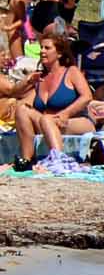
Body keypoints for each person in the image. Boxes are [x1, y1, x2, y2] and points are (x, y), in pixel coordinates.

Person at [5, 30, 93, 171]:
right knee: (22, 109)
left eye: (47, 48)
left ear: (59, 53)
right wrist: (27, 82)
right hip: (49, 123)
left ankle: (58, 160)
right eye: (41, 47)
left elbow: (87, 97)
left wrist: (66, 113)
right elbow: (14, 94)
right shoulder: (40, 78)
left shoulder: (71, 71)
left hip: (76, 121)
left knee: (47, 119)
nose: (42, 51)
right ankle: (27, 160)